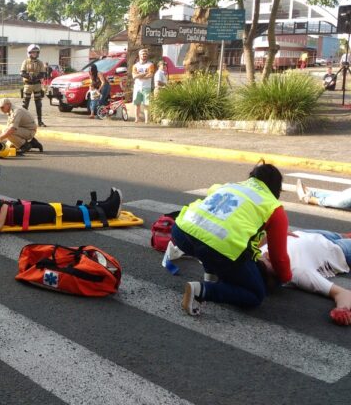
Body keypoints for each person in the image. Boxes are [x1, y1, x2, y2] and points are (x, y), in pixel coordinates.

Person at [171, 162, 291, 316]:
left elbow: (212, 196)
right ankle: (201, 290)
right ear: (277, 188)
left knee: (210, 241)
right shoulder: (274, 207)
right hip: (215, 248)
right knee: (255, 294)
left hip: (181, 231)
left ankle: (211, 275)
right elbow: (279, 257)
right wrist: (285, 277)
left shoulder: (230, 186)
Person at [259, 230, 351, 326]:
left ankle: (343, 236)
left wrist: (271, 236)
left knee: (343, 235)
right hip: (335, 249)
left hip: (304, 234)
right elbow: (342, 293)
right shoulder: (298, 273)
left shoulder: (256, 257)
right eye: (270, 259)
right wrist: (342, 309)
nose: (266, 254)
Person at [0, 188, 123, 232]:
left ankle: (101, 207)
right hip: (17, 215)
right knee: (59, 213)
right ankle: (107, 211)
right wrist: (3, 207)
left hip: (18, 207)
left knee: (60, 208)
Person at [20, 44, 46, 127]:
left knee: (38, 104)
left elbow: (43, 73)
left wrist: (36, 77)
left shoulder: (40, 63)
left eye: (36, 52)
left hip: (37, 85)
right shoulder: (25, 62)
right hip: (28, 85)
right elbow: (22, 73)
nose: (34, 54)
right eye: (32, 52)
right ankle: (23, 122)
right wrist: (29, 76)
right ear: (29, 53)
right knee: (25, 104)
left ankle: (40, 121)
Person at [131, 49, 155, 124]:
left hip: (146, 87)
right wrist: (144, 74)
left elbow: (150, 75)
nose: (144, 55)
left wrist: (139, 76)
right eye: (142, 54)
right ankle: (137, 119)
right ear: (139, 55)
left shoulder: (150, 65)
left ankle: (146, 120)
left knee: (146, 104)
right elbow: (134, 76)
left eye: (145, 54)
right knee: (137, 104)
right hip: (137, 87)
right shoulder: (135, 65)